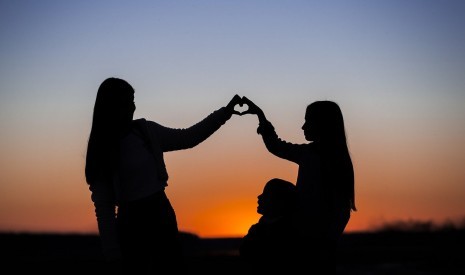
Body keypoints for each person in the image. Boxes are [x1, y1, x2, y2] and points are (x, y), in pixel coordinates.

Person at [85, 77, 242, 274]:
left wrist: (224, 113)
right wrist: (112, 252)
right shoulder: (102, 151)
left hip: (162, 214)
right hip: (131, 226)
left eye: (133, 100)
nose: (133, 107)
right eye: (127, 101)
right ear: (112, 106)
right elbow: (104, 209)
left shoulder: (146, 131)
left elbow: (188, 137)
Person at [241, 97, 356, 272]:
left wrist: (325, 245)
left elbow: (341, 210)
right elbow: (276, 146)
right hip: (306, 242)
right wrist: (260, 116)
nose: (303, 127)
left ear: (323, 124)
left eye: (308, 121)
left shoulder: (324, 159)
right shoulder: (311, 154)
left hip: (311, 248)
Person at [239, 178, 299, 270]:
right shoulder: (258, 228)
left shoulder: (286, 231)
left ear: (279, 201)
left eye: (266, 194)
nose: (259, 197)